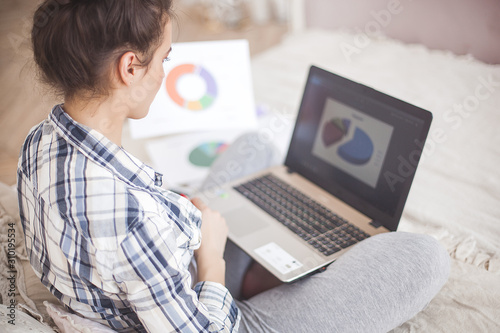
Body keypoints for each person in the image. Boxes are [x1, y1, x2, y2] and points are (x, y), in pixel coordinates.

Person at [18, 0, 450, 332]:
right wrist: (212, 259)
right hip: (209, 313)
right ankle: (255, 285)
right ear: (130, 67)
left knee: (255, 145)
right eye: (166, 58)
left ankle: (267, 266)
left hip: (154, 277)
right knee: (426, 257)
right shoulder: (131, 217)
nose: (166, 71)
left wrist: (182, 217)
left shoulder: (37, 142)